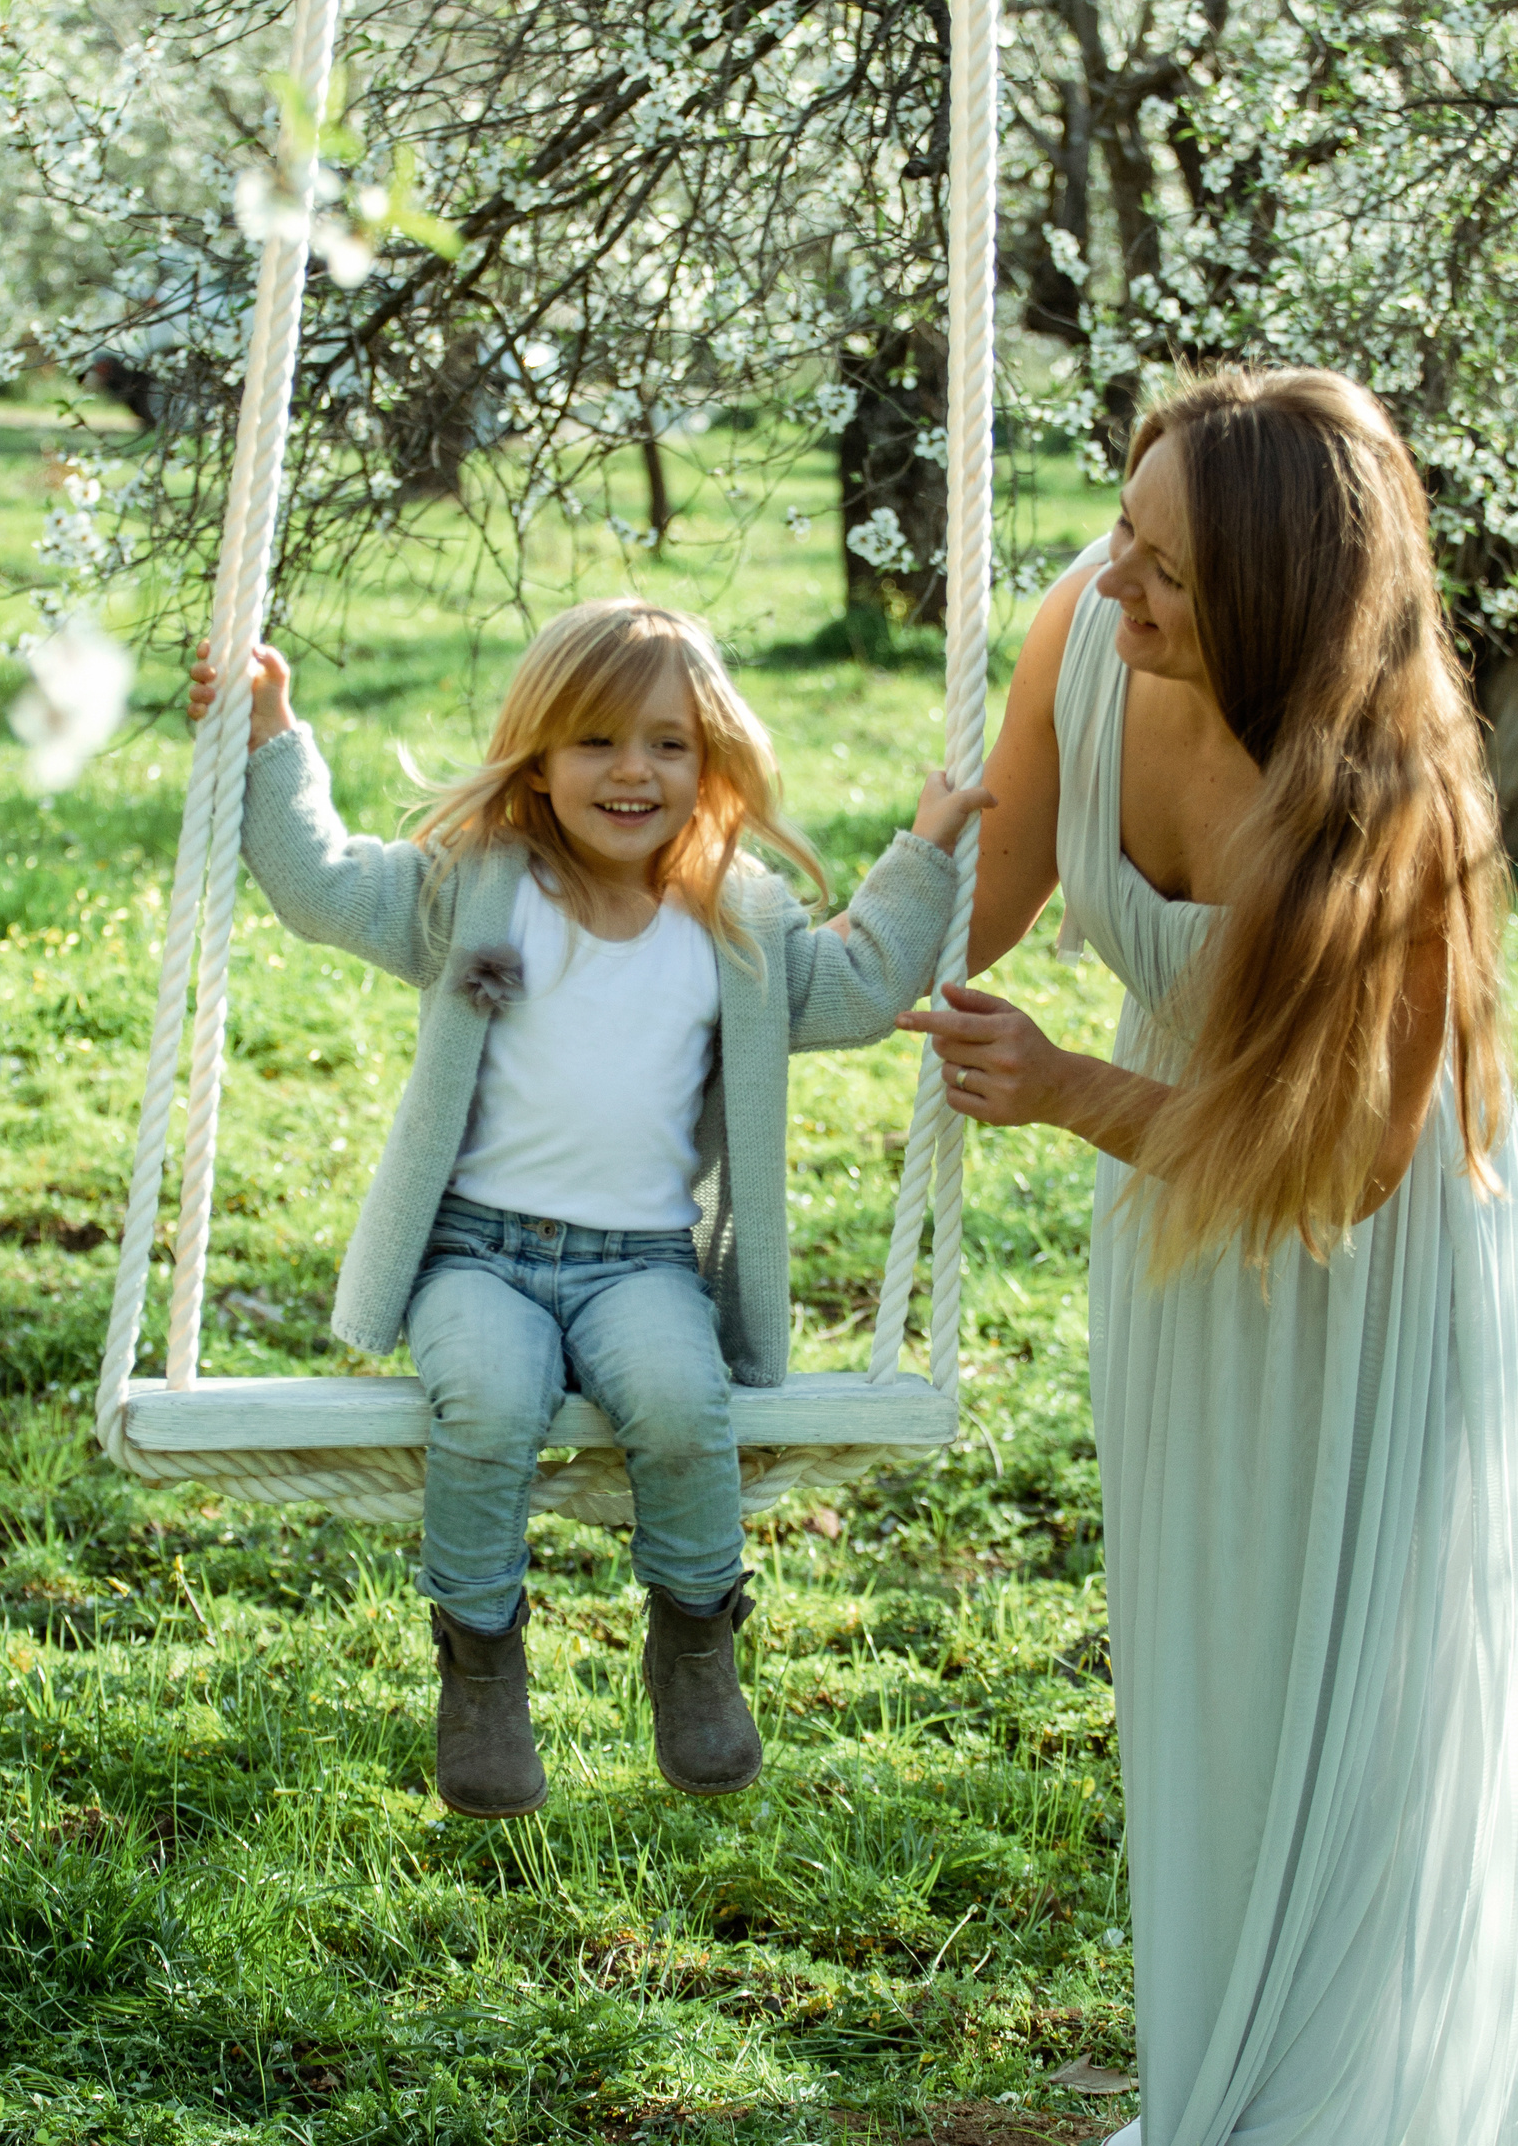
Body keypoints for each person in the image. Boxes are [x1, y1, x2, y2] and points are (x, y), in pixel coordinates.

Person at [901, 367, 1518, 2146]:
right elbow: (956, 909)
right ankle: (1216, 2088)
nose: (1117, 584)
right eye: (1118, 528)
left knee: (1350, 1701)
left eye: (1168, 567)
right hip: (1178, 1264)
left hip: (1368, 1290)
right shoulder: (1078, 645)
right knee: (1205, 1679)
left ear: (1277, 596)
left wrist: (1081, 1088)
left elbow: (1349, 1160)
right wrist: (661, 901)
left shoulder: (1386, 783)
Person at [191, 599, 986, 1819]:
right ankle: (482, 1669)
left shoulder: (738, 920)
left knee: (681, 1403)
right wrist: (268, 732)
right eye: (596, 743)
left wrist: (926, 852)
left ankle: (696, 1643)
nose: (633, 771)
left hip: (639, 1264)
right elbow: (319, 886)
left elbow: (867, 984)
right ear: (541, 760)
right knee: (490, 1405)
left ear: (710, 758)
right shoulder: (475, 895)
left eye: (667, 743)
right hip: (477, 1253)